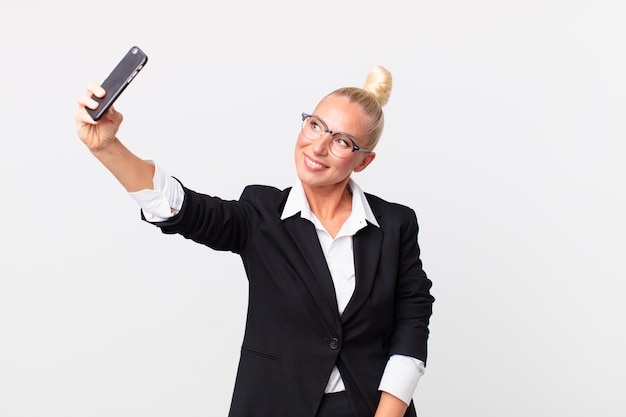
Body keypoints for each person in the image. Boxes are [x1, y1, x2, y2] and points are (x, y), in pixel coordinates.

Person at [76, 65, 434, 417]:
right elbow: (184, 208)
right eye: (315, 125)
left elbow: (412, 323)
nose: (318, 146)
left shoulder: (396, 224)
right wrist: (108, 148)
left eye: (340, 140)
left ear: (364, 161)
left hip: (369, 408)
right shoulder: (261, 214)